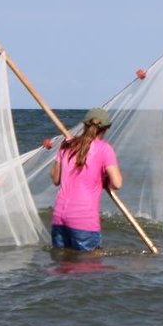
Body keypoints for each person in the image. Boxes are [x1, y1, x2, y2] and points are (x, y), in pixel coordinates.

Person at [50, 107, 123, 252]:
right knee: (88, 269)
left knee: (62, 266)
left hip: (59, 217)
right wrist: (105, 178)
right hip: (83, 220)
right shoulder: (104, 149)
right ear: (105, 129)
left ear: (84, 125)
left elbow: (55, 179)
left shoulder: (67, 145)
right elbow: (117, 183)